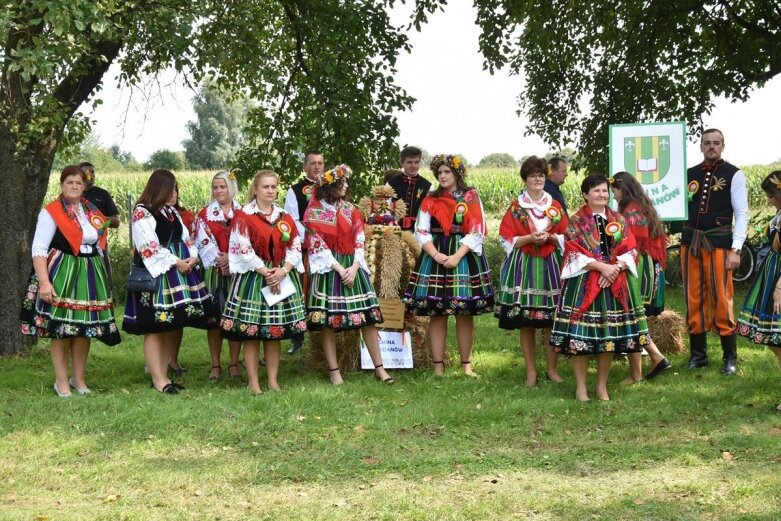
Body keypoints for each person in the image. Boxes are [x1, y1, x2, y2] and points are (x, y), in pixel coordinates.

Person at [20, 165, 120, 397]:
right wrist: (44, 282)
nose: (74, 187)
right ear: (61, 185)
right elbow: (39, 248)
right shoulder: (52, 211)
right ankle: (61, 381)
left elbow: (98, 237)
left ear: (84, 186)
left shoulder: (90, 210)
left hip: (89, 270)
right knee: (62, 329)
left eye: (78, 183)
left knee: (85, 329)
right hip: (63, 272)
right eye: (69, 183)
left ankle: (79, 379)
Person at [550, 173, 649, 401]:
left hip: (614, 282)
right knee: (581, 339)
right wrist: (601, 268)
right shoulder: (576, 221)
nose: (602, 194)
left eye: (605, 190)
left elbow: (631, 247)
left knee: (609, 338)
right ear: (586, 194)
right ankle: (581, 387)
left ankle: (602, 386)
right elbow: (572, 250)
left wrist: (616, 267)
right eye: (596, 190)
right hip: (584, 282)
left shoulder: (618, 219)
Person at [123, 169, 216, 394]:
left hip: (177, 270)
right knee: (154, 327)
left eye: (175, 188)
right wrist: (177, 262)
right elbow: (149, 247)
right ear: (159, 188)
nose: (174, 193)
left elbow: (186, 237)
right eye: (171, 188)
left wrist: (192, 256)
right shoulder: (142, 212)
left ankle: (163, 374)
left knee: (168, 325)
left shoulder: (169, 212)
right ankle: (158, 379)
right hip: (157, 274)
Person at [403, 154, 494, 377]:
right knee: (437, 312)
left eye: (447, 172)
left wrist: (457, 255)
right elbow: (421, 230)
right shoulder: (430, 198)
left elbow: (477, 229)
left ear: (456, 174)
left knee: (464, 312)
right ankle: (438, 366)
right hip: (436, 255)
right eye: (440, 173)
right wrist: (435, 254)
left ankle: (466, 365)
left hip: (463, 255)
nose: (443, 176)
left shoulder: (471, 197)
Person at [303, 164, 394, 385]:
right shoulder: (313, 211)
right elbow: (317, 244)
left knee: (368, 317)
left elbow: (359, 237)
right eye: (341, 182)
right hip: (329, 267)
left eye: (345, 182)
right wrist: (339, 268)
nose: (346, 185)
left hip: (352, 265)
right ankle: (334, 372)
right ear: (330, 186)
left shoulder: (350, 209)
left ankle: (379, 368)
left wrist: (354, 266)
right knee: (327, 321)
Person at [221, 170, 307, 394]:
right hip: (254, 278)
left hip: (280, 275)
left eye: (274, 187)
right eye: (266, 187)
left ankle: (273, 380)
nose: (271, 191)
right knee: (252, 333)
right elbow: (243, 248)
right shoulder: (244, 216)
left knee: (274, 332)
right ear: (256, 189)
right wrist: (267, 272)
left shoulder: (283, 216)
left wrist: (284, 270)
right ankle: (253, 382)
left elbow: (296, 246)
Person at [495, 156, 568, 386]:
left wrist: (551, 237)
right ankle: (531, 372)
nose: (537, 179)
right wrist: (529, 238)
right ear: (525, 179)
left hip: (550, 264)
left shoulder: (553, 206)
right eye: (532, 176)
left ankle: (552, 370)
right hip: (523, 265)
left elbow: (568, 235)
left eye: (540, 175)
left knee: (550, 320)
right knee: (526, 321)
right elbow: (505, 238)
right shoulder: (517, 206)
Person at [682, 129, 748, 375]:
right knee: (693, 297)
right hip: (691, 243)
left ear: (723, 145)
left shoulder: (734, 174)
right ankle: (698, 355)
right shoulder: (688, 174)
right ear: (701, 146)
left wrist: (736, 248)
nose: (711, 146)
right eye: (707, 143)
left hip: (719, 244)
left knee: (721, 297)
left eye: (716, 143)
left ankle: (729, 358)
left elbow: (742, 214)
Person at [610, 172, 672, 382]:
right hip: (647, 265)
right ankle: (653, 359)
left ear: (622, 189)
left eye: (614, 191)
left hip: (638, 267)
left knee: (632, 316)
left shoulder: (631, 212)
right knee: (634, 317)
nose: (613, 195)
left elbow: (629, 244)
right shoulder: (641, 206)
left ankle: (648, 363)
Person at [738, 171, 781, 410]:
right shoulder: (779, 214)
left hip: (779, 279)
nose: (768, 200)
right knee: (775, 340)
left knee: (778, 338)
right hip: (772, 272)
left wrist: (779, 287)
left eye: (771, 196)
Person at [195, 171, 243, 381]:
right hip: (214, 271)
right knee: (214, 319)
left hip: (238, 269)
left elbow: (247, 239)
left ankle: (234, 363)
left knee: (236, 318)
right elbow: (202, 241)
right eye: (215, 187)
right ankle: (215, 364)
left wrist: (231, 259)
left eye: (222, 187)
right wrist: (220, 260)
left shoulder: (243, 212)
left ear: (230, 188)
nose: (218, 191)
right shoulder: (205, 214)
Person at [283, 150, 324, 354]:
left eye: (320, 163)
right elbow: (291, 220)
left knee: (323, 289)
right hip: (305, 248)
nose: (317, 167)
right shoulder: (295, 190)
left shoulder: (330, 188)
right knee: (301, 291)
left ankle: (322, 333)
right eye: (313, 163)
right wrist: (310, 238)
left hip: (327, 248)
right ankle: (297, 337)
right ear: (305, 166)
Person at [387, 146, 432, 231]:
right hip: (394, 230)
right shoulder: (390, 184)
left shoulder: (428, 186)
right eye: (409, 162)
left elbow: (429, 214)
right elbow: (384, 208)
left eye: (416, 162)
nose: (413, 166)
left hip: (419, 232)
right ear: (402, 162)